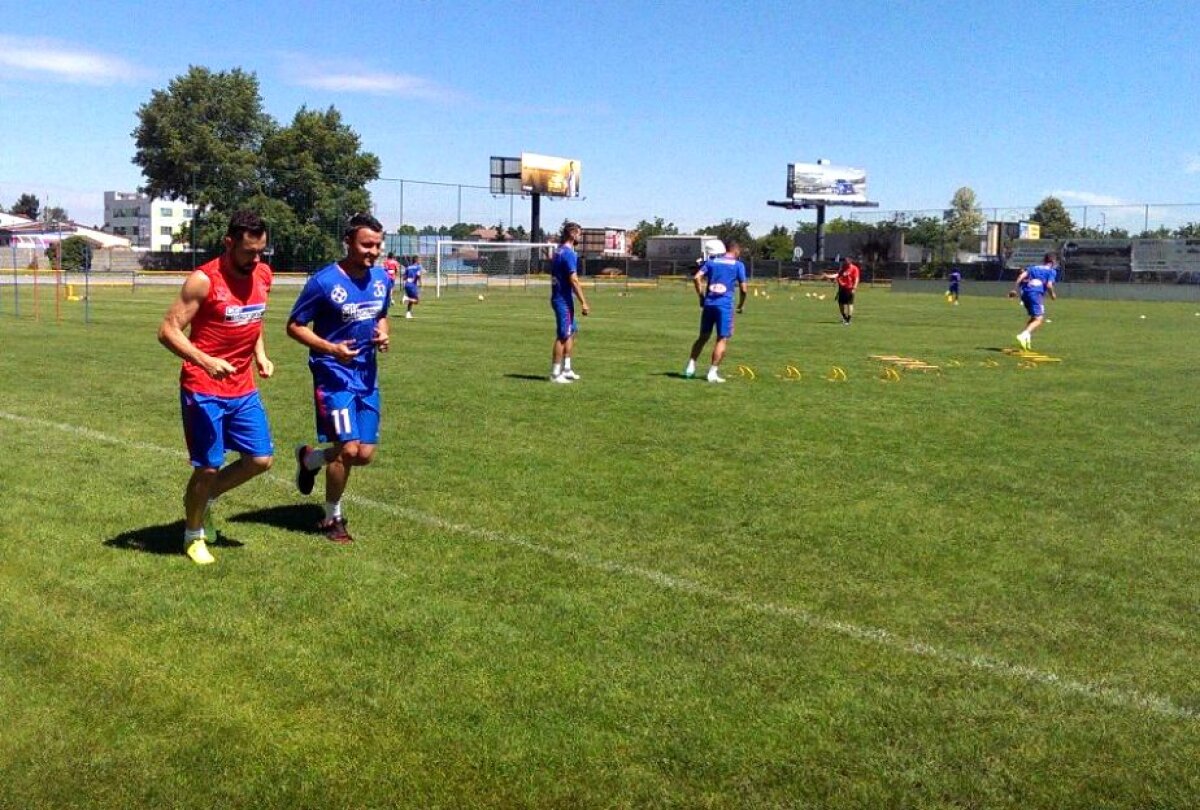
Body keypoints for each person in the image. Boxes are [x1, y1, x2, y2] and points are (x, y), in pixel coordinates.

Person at [157, 211, 275, 565]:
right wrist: (204, 360)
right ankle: (193, 535)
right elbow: (168, 330)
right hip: (203, 387)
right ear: (228, 243)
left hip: (243, 387)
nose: (255, 260)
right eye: (248, 252)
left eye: (261, 252)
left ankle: (203, 499)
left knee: (260, 460)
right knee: (208, 467)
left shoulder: (263, 275)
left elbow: (253, 318)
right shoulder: (203, 281)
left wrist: (261, 355)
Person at [287, 213, 392, 543]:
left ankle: (310, 459)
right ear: (347, 242)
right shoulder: (323, 282)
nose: (372, 251)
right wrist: (330, 348)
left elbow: (382, 315)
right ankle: (333, 518)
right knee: (347, 449)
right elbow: (294, 326)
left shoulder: (382, 279)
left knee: (364, 455)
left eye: (377, 245)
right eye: (365, 244)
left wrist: (383, 335)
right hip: (333, 375)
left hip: (367, 375)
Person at [684, 239, 747, 383]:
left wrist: (701, 296)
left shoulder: (712, 262)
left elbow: (696, 277)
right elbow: (744, 289)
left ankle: (690, 366)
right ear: (736, 251)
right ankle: (712, 373)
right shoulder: (738, 265)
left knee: (703, 337)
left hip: (709, 303)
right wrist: (741, 304)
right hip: (724, 306)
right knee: (721, 338)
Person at [549, 221, 590, 383]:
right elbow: (573, 279)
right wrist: (584, 302)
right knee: (563, 335)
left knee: (572, 331)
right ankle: (555, 373)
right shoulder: (568, 254)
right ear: (572, 234)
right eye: (579, 233)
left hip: (562, 298)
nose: (580, 236)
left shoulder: (558, 252)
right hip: (563, 300)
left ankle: (566, 369)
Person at [1010, 252, 1058, 350]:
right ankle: (1024, 335)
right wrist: (1052, 294)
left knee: (1034, 317)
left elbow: (1021, 277)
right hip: (1035, 294)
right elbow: (1049, 285)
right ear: (1053, 261)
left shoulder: (1033, 268)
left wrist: (1014, 289)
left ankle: (1027, 337)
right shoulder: (1051, 271)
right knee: (1039, 319)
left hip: (1025, 294)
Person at [826, 256, 860, 324]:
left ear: (850, 261)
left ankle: (849, 319)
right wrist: (828, 276)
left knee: (849, 304)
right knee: (840, 304)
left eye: (846, 261)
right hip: (842, 288)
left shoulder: (854, 268)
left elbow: (856, 279)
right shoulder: (844, 268)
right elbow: (837, 275)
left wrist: (854, 287)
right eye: (845, 261)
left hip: (849, 289)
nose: (845, 262)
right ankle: (845, 317)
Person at [402, 255, 423, 319]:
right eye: (419, 260)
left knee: (411, 300)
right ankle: (406, 298)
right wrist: (421, 284)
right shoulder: (418, 267)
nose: (420, 261)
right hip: (412, 285)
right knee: (417, 301)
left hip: (407, 284)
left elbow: (404, 277)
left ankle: (408, 314)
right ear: (416, 260)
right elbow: (418, 275)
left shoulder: (408, 267)